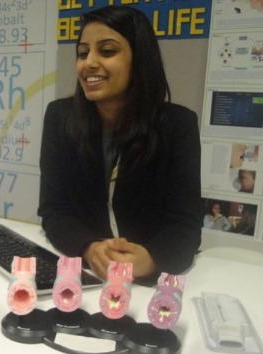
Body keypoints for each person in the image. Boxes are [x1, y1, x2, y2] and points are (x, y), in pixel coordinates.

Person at [38, 6, 202, 283]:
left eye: (107, 51)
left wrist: (151, 259)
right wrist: (89, 249)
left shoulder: (177, 125)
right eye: (82, 53)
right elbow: (54, 210)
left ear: (139, 60)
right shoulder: (60, 118)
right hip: (84, 276)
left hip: (149, 284)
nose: (88, 63)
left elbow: (184, 224)